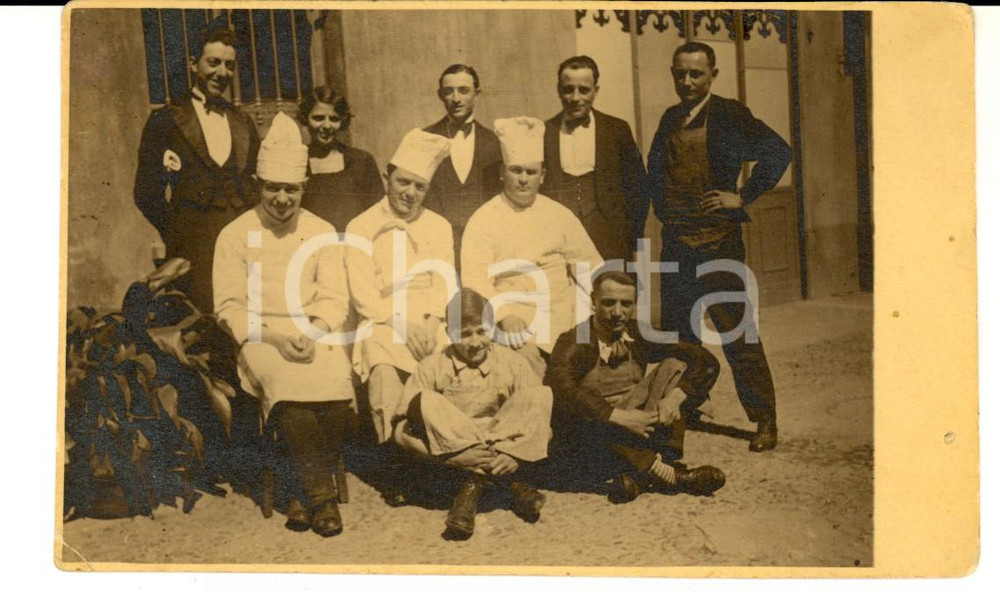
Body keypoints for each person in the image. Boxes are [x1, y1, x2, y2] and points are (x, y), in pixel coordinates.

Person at [213, 111, 354, 537]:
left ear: (303, 187)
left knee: (337, 394)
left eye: (290, 189)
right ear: (259, 186)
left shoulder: (321, 230)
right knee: (290, 398)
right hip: (260, 337)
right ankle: (322, 498)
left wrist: (311, 330)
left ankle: (296, 491)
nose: (281, 199)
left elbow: (334, 298)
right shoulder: (235, 234)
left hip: (313, 333)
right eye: (273, 188)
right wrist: (274, 337)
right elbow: (229, 307)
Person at [646, 41, 792, 452]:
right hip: (677, 245)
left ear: (713, 75)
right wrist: (666, 212)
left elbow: (778, 152)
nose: (687, 81)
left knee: (736, 332)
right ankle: (687, 407)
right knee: (680, 334)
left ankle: (764, 419)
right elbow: (655, 171)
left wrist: (742, 196)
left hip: (718, 243)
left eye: (696, 74)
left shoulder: (729, 114)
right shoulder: (670, 117)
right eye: (680, 73)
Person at [545, 271, 726, 502]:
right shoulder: (574, 340)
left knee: (674, 365)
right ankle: (670, 475)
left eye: (626, 304)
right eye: (609, 303)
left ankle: (644, 472)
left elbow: (706, 361)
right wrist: (616, 416)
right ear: (593, 301)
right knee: (582, 400)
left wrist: (676, 398)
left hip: (638, 428)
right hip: (592, 438)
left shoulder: (638, 332)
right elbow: (560, 390)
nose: (617, 312)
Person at [345, 128, 455, 504]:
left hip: (428, 318)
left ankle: (446, 460)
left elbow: (445, 282)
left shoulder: (438, 226)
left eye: (420, 187)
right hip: (383, 319)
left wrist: (432, 320)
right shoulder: (360, 226)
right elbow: (363, 295)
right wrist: (401, 324)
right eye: (403, 182)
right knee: (384, 373)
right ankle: (397, 467)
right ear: (386, 178)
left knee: (449, 365)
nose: (410, 193)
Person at [392, 289, 551, 540]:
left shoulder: (512, 362)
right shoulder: (432, 366)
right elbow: (400, 433)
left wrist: (516, 455)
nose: (475, 342)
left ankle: (472, 487)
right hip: (454, 450)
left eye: (482, 331)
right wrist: (453, 458)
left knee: (540, 395)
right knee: (426, 401)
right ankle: (509, 486)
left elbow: (538, 418)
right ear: (449, 333)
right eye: (464, 334)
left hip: (503, 447)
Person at [462, 116, 604, 378]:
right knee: (533, 372)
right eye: (516, 170)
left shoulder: (559, 215)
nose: (524, 179)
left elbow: (591, 266)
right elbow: (473, 278)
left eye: (531, 172)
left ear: (542, 176)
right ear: (502, 173)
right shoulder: (483, 219)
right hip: (515, 320)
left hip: (563, 317)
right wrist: (503, 314)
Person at [135, 24, 261, 313]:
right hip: (192, 246)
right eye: (213, 63)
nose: (222, 73)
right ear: (194, 64)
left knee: (242, 317)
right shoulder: (166, 120)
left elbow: (254, 186)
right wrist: (178, 233)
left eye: (230, 66)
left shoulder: (243, 122)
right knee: (197, 326)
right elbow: (146, 193)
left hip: (240, 245)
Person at [541, 56, 647, 262]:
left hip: (609, 237)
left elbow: (638, 188)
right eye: (568, 89)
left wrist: (632, 239)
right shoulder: (544, 132)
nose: (575, 97)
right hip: (560, 240)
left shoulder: (616, 130)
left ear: (596, 90)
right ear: (558, 90)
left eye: (584, 90)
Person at [423, 64, 504, 262]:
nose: (456, 99)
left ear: (477, 94)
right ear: (440, 95)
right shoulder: (424, 139)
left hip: (484, 244)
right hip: (438, 245)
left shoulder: (494, 142)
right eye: (449, 92)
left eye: (463, 91)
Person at [298, 86, 384, 232]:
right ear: (305, 119)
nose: (326, 125)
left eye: (334, 119)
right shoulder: (297, 163)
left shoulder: (361, 161)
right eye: (318, 118)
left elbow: (377, 213)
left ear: (342, 121)